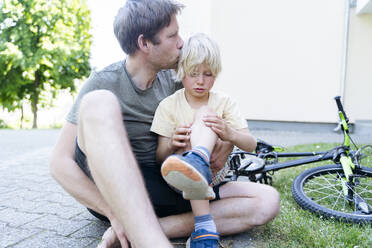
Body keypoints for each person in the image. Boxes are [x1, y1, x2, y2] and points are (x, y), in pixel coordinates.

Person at [49, 0, 280, 247]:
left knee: (266, 201)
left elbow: (213, 112)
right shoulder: (104, 82)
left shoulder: (175, 79)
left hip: (169, 182)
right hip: (116, 191)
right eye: (173, 35)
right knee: (98, 102)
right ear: (145, 43)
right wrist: (114, 214)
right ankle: (142, 233)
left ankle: (142, 230)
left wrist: (225, 141)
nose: (181, 42)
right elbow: (59, 163)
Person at [151, 33, 258, 247]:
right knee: (202, 118)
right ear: (181, 72)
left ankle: (198, 164)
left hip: (216, 177)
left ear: (216, 74)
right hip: (178, 179)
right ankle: (203, 226)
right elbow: (160, 155)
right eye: (193, 73)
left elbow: (251, 144)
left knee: (271, 201)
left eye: (208, 74)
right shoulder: (168, 105)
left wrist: (230, 133)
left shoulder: (224, 102)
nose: (200, 81)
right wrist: (173, 143)